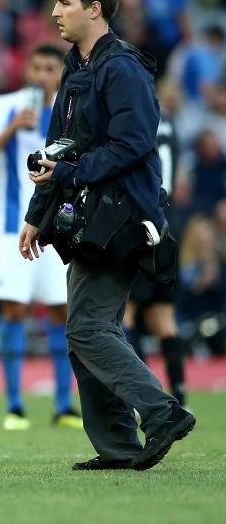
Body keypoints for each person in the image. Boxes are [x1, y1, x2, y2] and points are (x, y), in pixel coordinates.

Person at [20, 0, 195, 472]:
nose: (54, 11)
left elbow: (133, 144)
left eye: (65, 2)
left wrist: (70, 171)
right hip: (90, 216)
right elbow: (58, 147)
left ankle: (162, 411)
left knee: (87, 329)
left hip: (123, 216)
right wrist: (37, 213)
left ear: (95, 8)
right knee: (87, 332)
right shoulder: (77, 67)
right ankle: (118, 447)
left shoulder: (122, 68)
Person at [0, 44, 83, 431]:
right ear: (27, 70)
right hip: (11, 226)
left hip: (60, 227)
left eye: (50, 68)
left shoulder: (71, 108)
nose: (41, 75)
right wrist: (12, 128)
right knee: (14, 310)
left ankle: (63, 405)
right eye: (36, 67)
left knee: (61, 312)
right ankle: (14, 405)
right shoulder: (5, 106)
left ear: (60, 73)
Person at [124, 109, 187, 407]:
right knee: (165, 321)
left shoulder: (134, 116)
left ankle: (145, 399)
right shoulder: (170, 124)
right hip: (169, 225)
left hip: (143, 223)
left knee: (126, 315)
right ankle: (181, 396)